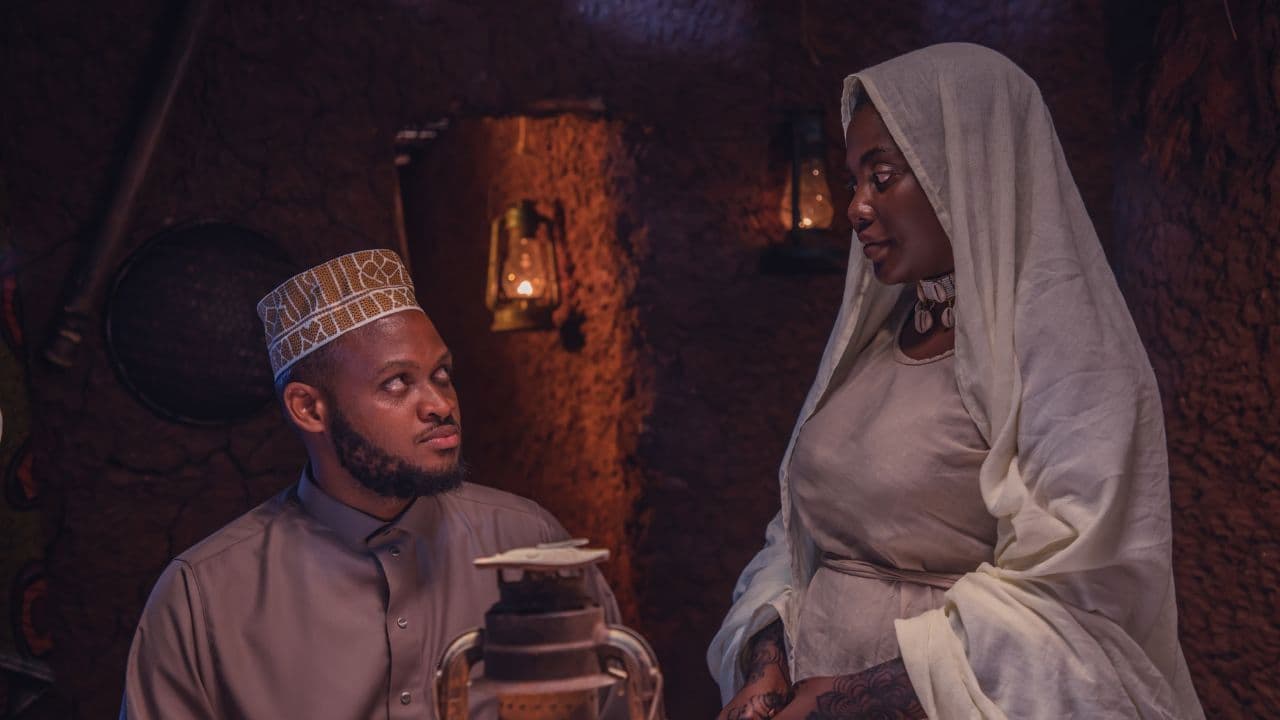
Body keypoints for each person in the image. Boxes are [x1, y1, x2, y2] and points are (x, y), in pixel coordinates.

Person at [709, 44, 1204, 719]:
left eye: (883, 176)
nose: (856, 208)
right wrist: (767, 659)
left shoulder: (1065, 361)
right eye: (854, 180)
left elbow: (1073, 604)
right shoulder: (871, 353)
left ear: (968, 171)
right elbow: (798, 535)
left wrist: (856, 698)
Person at [120, 249, 618, 719]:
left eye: (441, 374)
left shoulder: (528, 541)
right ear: (308, 408)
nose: (440, 405)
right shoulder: (204, 595)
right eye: (397, 382)